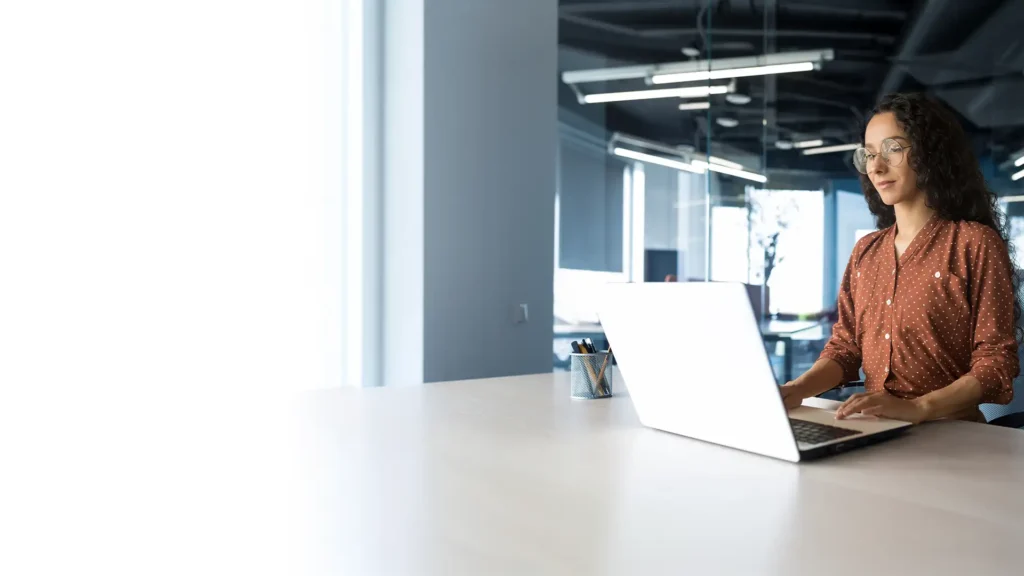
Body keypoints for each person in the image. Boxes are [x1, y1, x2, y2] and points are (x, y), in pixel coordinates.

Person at [781, 93, 1020, 423]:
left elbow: (996, 361)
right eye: (868, 155)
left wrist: (919, 408)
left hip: (954, 437)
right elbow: (845, 349)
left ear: (927, 152)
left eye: (893, 149)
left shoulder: (973, 243)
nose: (877, 166)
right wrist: (798, 388)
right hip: (877, 430)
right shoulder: (866, 252)